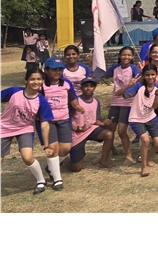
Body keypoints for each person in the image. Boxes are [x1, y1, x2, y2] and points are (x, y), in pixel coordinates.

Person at [1, 69, 55, 195]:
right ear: (26, 80)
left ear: (42, 81)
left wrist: (46, 145)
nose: (36, 82)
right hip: (4, 128)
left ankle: (41, 181)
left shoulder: (41, 101)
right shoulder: (14, 92)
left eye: (39, 79)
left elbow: (45, 124)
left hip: (24, 129)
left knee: (28, 157)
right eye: (32, 79)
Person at [40, 57, 83, 191]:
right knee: (53, 149)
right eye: (54, 70)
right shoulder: (42, 85)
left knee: (65, 148)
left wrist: (77, 106)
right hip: (48, 121)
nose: (57, 72)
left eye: (59, 69)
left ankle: (51, 167)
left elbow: (72, 98)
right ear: (46, 71)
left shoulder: (66, 83)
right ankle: (57, 179)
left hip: (64, 119)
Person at [64, 77, 114, 172]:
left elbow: (95, 120)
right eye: (86, 86)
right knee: (77, 168)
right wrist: (76, 128)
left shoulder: (96, 102)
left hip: (90, 129)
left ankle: (103, 160)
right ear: (81, 88)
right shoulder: (75, 102)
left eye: (91, 86)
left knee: (109, 134)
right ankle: (65, 160)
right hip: (77, 133)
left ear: (95, 88)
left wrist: (104, 123)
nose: (88, 88)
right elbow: (66, 119)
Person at [104, 47, 141, 164]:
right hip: (115, 103)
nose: (126, 57)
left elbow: (140, 82)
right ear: (120, 56)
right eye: (124, 55)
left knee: (121, 131)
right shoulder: (115, 68)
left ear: (132, 57)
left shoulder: (134, 69)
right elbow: (103, 74)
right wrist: (92, 62)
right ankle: (109, 152)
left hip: (128, 103)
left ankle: (128, 155)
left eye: (129, 55)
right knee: (109, 130)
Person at [125, 64, 158, 176]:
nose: (150, 77)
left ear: (156, 75)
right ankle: (144, 167)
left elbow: (155, 107)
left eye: (152, 74)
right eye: (147, 75)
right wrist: (131, 84)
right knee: (145, 140)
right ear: (143, 76)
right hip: (136, 118)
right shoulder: (139, 86)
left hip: (151, 117)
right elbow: (125, 94)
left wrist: (157, 95)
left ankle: (145, 159)